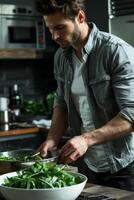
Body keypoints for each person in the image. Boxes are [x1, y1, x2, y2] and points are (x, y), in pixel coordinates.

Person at [36, 0, 134, 191]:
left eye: (60, 27)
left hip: (124, 165)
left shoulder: (115, 51)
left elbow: (132, 113)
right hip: (86, 165)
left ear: (80, 17)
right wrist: (52, 139)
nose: (55, 36)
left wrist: (86, 139)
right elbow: (62, 103)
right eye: (50, 29)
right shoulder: (61, 57)